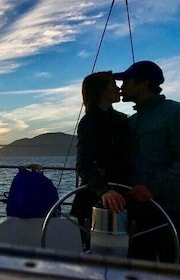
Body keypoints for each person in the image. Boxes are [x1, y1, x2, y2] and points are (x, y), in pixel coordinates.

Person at [111, 60, 180, 262]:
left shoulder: (175, 114)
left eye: (126, 81)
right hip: (137, 214)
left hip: (171, 213)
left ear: (143, 83)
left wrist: (153, 188)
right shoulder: (130, 122)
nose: (122, 87)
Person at [70, 71, 131, 251]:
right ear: (102, 91)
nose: (118, 88)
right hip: (96, 200)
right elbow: (83, 163)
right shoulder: (90, 122)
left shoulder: (121, 121)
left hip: (124, 197)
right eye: (113, 84)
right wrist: (104, 190)